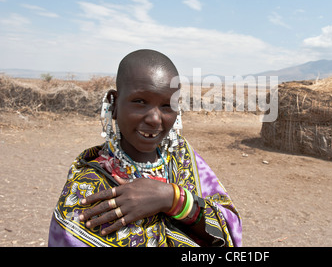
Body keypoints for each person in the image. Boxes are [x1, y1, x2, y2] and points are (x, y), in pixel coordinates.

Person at [48, 49, 242, 247]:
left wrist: (173, 199)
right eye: (140, 102)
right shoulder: (89, 184)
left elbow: (229, 230)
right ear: (113, 104)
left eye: (167, 106)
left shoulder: (182, 158)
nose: (155, 119)